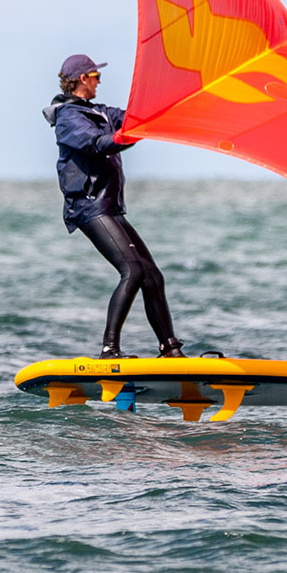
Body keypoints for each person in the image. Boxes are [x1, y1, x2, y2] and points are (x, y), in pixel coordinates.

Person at [42, 53, 185, 360]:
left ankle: (170, 348)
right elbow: (98, 145)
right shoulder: (68, 118)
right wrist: (130, 134)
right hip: (89, 207)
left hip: (108, 206)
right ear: (83, 78)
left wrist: (170, 105)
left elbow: (133, 118)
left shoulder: (98, 111)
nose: (99, 81)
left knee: (152, 276)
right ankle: (110, 349)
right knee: (131, 270)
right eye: (96, 76)